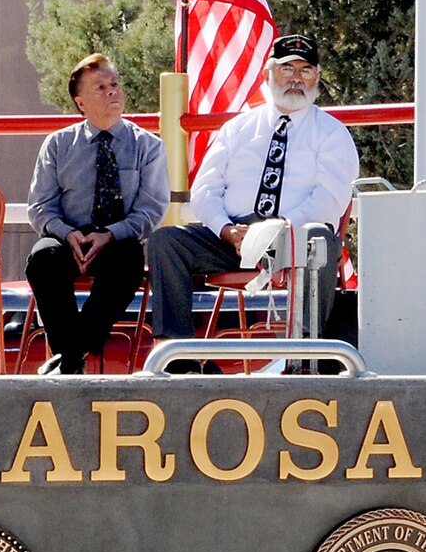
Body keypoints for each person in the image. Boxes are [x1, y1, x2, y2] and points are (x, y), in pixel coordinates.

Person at [144, 32, 359, 349]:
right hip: (233, 239)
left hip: (296, 238)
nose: (296, 79)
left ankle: (309, 354)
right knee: (167, 240)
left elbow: (331, 200)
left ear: (318, 77)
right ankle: (176, 354)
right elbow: (204, 190)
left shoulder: (332, 133)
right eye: (287, 69)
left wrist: (279, 229)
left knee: (321, 239)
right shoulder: (237, 128)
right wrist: (226, 229)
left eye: (305, 70)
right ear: (268, 74)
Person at [25, 54, 170, 374]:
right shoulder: (58, 145)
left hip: (117, 238)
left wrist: (111, 234)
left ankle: (71, 353)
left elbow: (152, 208)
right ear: (80, 102)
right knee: (42, 258)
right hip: (67, 238)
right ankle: (71, 354)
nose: (112, 92)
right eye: (100, 87)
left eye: (115, 84)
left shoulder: (147, 145)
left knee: (129, 259)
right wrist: (66, 233)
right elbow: (39, 206)